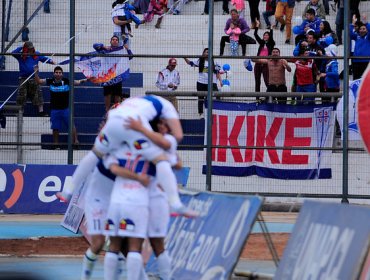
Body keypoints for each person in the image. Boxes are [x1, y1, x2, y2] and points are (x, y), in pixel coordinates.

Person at [56, 95, 198, 219]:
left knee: (94, 154)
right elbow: (178, 135)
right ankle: (174, 204)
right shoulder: (167, 107)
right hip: (133, 124)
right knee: (161, 160)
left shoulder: (137, 100)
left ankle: (67, 191)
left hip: (113, 121)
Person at [34, 65, 86, 149]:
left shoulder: (67, 81)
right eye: (56, 72)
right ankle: (56, 145)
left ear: (62, 74)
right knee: (55, 128)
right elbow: (38, 81)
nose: (58, 74)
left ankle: (75, 142)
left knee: (71, 126)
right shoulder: (50, 81)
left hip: (65, 109)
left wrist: (87, 79)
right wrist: (36, 72)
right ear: (54, 74)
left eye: (59, 72)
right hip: (54, 110)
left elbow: (78, 82)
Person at [11, 41, 56, 116]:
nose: (31, 50)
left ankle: (41, 111)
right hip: (23, 79)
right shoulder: (21, 55)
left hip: (34, 78)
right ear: (25, 48)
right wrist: (21, 47)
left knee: (38, 94)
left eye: (31, 48)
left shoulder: (36, 54)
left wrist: (52, 61)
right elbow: (13, 53)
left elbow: (44, 59)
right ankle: (19, 112)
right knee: (22, 96)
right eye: (29, 48)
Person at [93, 36, 130, 112]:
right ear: (110, 41)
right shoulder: (105, 49)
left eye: (116, 40)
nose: (115, 41)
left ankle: (117, 110)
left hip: (117, 75)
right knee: (107, 94)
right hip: (107, 75)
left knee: (117, 94)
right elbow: (95, 46)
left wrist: (127, 49)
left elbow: (130, 57)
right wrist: (104, 46)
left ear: (118, 42)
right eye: (113, 40)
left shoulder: (121, 49)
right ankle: (107, 111)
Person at [184, 48, 222, 116]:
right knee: (200, 98)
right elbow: (190, 63)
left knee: (216, 96)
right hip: (201, 82)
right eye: (206, 52)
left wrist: (220, 81)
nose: (207, 54)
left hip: (211, 83)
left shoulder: (215, 61)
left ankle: (216, 111)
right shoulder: (199, 60)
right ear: (203, 53)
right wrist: (184, 58)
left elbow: (217, 72)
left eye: (209, 52)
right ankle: (200, 113)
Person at [253, 19, 275, 94]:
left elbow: (271, 37)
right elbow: (255, 35)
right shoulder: (261, 43)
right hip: (258, 63)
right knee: (257, 81)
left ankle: (270, 95)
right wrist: (257, 25)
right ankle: (257, 97)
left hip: (266, 64)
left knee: (267, 81)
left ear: (269, 36)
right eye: (264, 35)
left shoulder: (271, 43)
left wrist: (271, 28)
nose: (265, 36)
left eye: (267, 35)